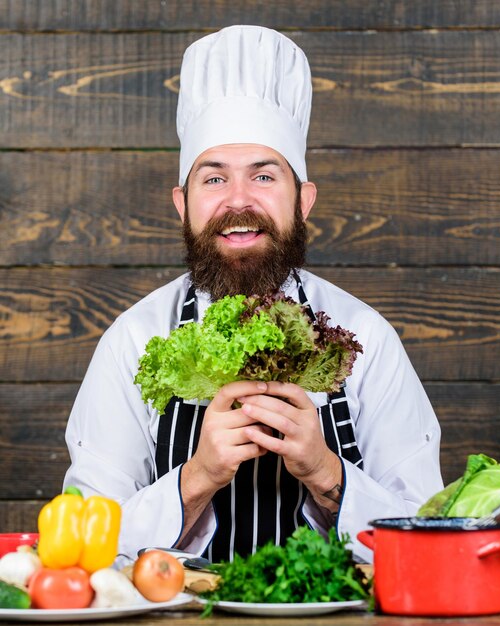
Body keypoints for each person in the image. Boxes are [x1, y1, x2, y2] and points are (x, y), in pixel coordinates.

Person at [63, 25, 443, 564]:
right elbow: (82, 547)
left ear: (303, 201)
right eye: (214, 179)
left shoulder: (368, 340)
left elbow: (427, 534)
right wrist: (195, 479)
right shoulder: (134, 340)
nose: (238, 201)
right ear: (182, 203)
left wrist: (325, 472)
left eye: (264, 176)